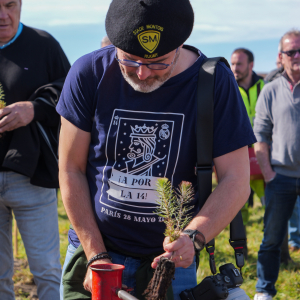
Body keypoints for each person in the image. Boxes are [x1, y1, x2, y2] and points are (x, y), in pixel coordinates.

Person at [57, 1, 256, 299]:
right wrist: (96, 255)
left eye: (158, 62)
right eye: (129, 60)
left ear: (180, 45)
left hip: (171, 264)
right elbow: (70, 168)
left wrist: (193, 237)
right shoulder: (89, 73)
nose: (142, 73)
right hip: (93, 255)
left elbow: (236, 180)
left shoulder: (213, 82)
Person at [0, 0, 70, 299]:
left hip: (30, 177)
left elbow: (72, 92)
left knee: (47, 270)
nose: (3, 15)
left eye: (10, 5)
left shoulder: (43, 44)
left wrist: (35, 108)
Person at [253, 29, 300, 300]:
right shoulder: (269, 90)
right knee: (271, 239)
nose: (296, 56)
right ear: (280, 57)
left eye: (299, 50)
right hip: (280, 177)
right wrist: (268, 173)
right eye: (290, 51)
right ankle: (264, 290)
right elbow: (260, 133)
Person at [230, 48, 265, 258]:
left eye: (239, 64)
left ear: (251, 65)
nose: (234, 68)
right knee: (238, 209)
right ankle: (241, 252)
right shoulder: (228, 88)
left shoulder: (264, 87)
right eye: (232, 64)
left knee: (271, 204)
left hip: (262, 155)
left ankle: (274, 248)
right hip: (237, 157)